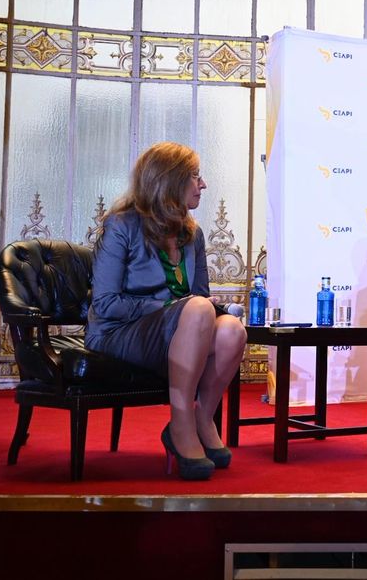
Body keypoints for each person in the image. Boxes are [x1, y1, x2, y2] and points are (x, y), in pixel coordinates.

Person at [86, 142, 247, 480]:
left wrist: (207, 310)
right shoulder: (121, 226)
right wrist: (169, 308)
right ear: (169, 181)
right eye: (195, 177)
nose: (202, 185)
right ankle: (180, 423)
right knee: (199, 309)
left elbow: (199, 298)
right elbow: (105, 304)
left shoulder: (193, 234)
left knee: (232, 329)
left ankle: (203, 418)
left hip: (178, 331)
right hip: (119, 334)